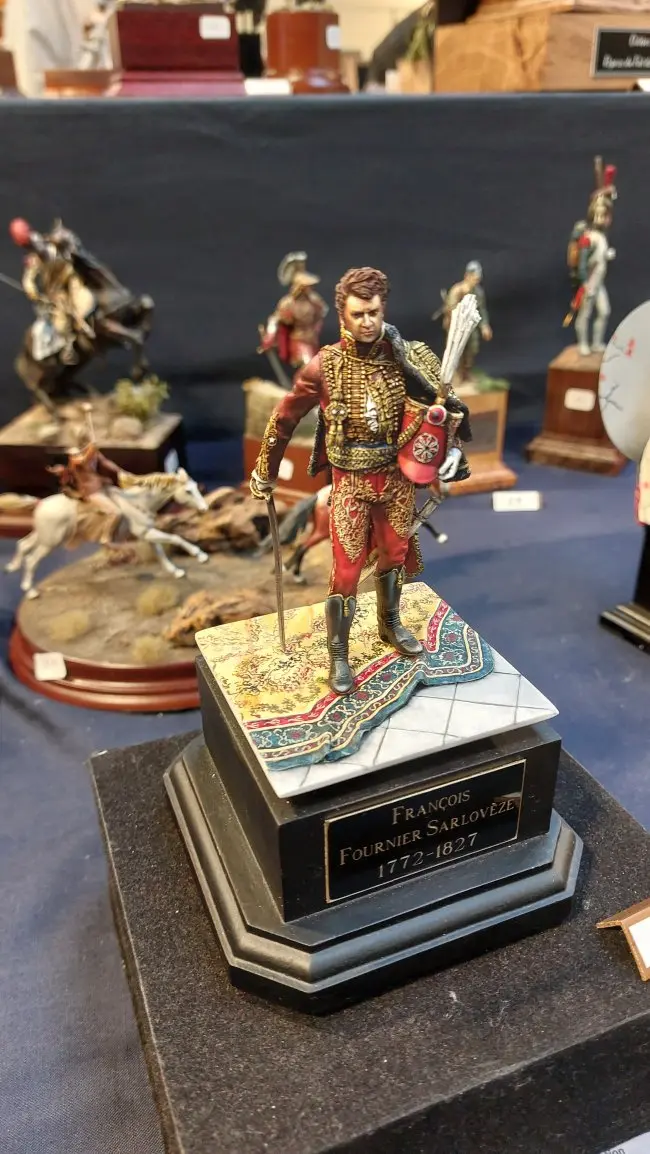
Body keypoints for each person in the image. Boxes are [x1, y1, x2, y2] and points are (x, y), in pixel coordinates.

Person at [250, 265, 471, 694]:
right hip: (350, 484)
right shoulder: (325, 365)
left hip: (396, 480)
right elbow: (285, 416)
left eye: (373, 312)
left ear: (382, 309)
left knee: (394, 555)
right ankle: (338, 651)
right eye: (358, 314)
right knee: (346, 572)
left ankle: (389, 623)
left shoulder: (407, 357)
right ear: (342, 316)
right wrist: (266, 469)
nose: (367, 321)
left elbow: (445, 414)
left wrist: (451, 449)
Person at [10, 217, 96, 366]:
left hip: (71, 279)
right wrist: (36, 296)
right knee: (61, 325)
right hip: (57, 292)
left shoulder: (47, 240)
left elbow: (67, 244)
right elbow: (28, 281)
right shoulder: (33, 260)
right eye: (26, 243)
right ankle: (69, 348)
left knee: (86, 301)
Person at [260, 252, 329, 371]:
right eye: (306, 286)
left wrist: (316, 328)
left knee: (315, 367)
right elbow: (275, 319)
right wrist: (269, 338)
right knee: (308, 367)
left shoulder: (314, 300)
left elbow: (320, 314)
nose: (310, 288)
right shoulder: (288, 303)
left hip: (312, 339)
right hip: (299, 340)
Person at [443, 261, 491, 380]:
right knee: (456, 350)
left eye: (478, 278)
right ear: (467, 276)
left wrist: (484, 326)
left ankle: (466, 372)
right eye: (474, 278)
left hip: (470, 325)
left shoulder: (478, 292)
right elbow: (451, 309)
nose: (476, 281)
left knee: (472, 348)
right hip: (456, 325)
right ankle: (456, 375)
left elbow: (481, 309)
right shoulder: (457, 290)